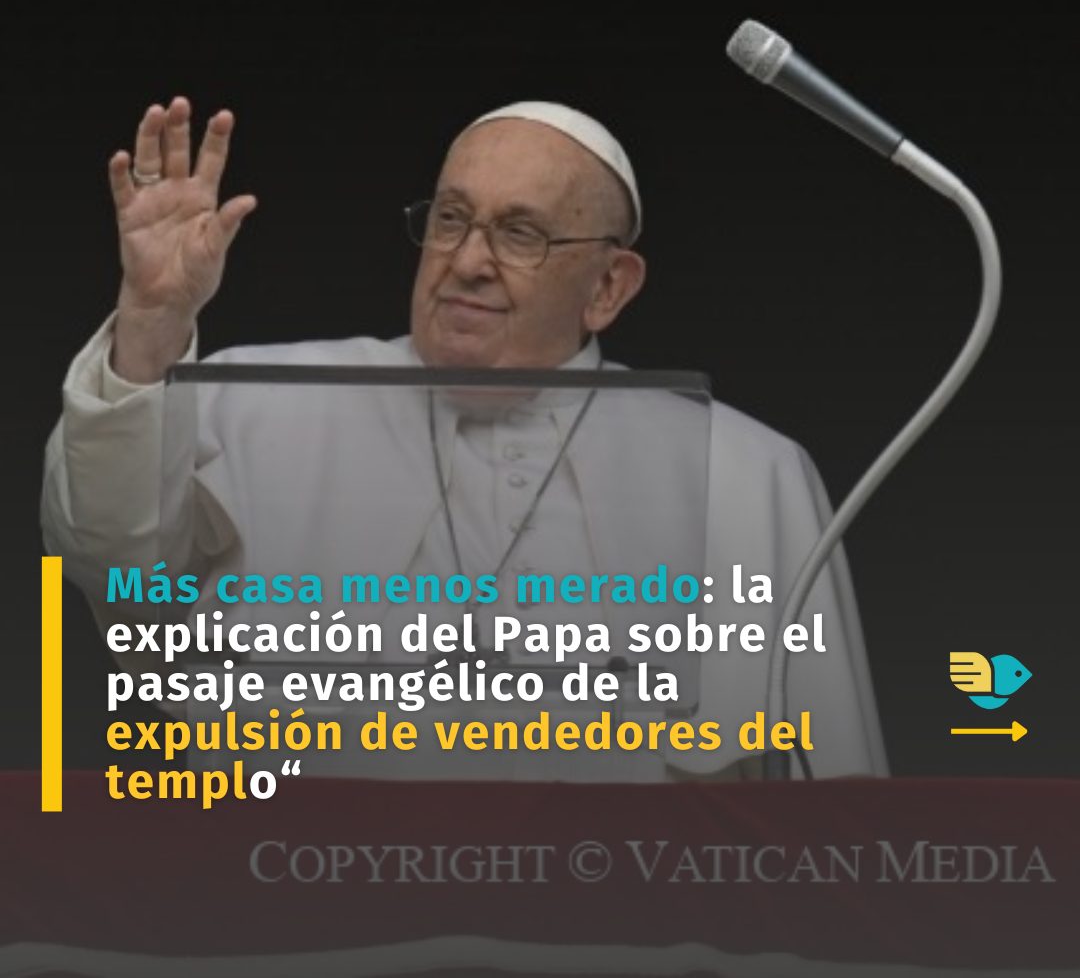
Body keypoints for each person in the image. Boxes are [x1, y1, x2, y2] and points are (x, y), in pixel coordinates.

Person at [42, 96, 887, 780]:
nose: (468, 261)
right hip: (302, 907)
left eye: (520, 234)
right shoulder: (251, 404)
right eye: (451, 219)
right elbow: (114, 566)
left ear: (608, 287)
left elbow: (831, 796)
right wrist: (152, 322)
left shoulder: (743, 471)